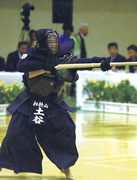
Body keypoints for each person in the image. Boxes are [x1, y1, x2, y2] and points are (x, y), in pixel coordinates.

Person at [0, 29, 111, 180]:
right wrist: (44, 64)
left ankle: (65, 166)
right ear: (42, 42)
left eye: (55, 41)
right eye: (50, 41)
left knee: (65, 129)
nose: (53, 44)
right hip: (30, 101)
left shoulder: (62, 55)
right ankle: (2, 162)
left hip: (52, 102)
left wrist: (99, 62)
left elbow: (77, 63)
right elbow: (21, 65)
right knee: (15, 133)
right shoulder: (32, 53)